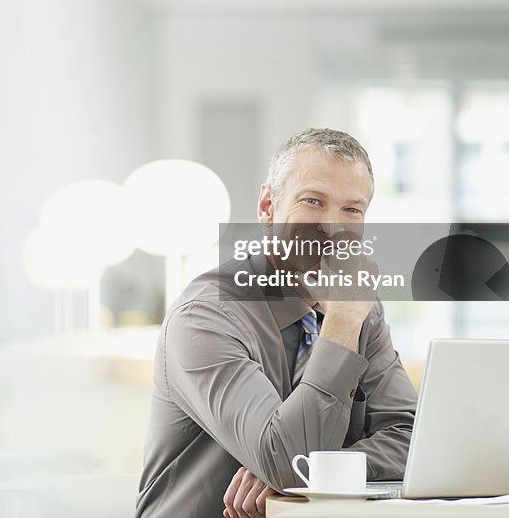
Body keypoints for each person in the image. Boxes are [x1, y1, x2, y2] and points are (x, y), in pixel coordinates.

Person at [135, 128, 417, 518]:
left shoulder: (358, 307)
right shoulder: (205, 317)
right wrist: (341, 325)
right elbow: (287, 463)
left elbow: (410, 437)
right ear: (268, 206)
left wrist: (316, 473)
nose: (333, 228)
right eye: (313, 201)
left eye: (352, 210)